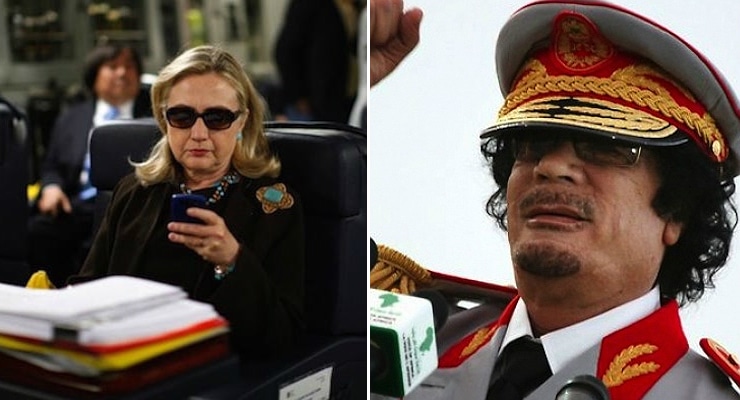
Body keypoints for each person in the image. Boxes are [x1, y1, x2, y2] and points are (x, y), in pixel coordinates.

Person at [370, 0, 740, 398]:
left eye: (605, 145)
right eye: (533, 142)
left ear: (677, 210)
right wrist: (342, 88)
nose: (552, 165)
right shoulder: (400, 340)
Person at [68, 45, 305, 359]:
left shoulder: (274, 207)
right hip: (121, 361)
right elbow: (89, 287)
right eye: (182, 116)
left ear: (242, 122)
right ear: (164, 120)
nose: (198, 133)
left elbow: (283, 334)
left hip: (213, 370)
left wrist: (232, 261)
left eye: (217, 118)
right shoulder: (134, 190)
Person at [28, 43, 152, 287]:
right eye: (112, 66)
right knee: (37, 231)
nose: (122, 73)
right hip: (76, 206)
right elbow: (52, 165)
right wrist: (52, 187)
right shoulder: (73, 117)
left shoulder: (156, 115)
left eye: (129, 66)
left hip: (132, 205)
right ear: (94, 75)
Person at [274, 0, 361, 123]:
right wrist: (298, 95)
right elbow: (285, 50)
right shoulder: (310, 4)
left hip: (350, 93)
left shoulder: (357, 5)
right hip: (319, 97)